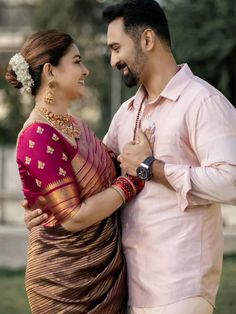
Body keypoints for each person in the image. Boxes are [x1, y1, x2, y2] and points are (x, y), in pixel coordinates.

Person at [23, 1, 236, 313]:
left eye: (116, 47)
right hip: (126, 291)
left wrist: (152, 167)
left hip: (179, 290)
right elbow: (98, 181)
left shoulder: (202, 103)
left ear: (147, 40)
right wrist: (46, 208)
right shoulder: (126, 113)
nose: (112, 60)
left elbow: (232, 181)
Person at [5, 29, 147, 314]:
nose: (86, 71)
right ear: (50, 71)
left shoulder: (76, 126)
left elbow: (107, 171)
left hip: (105, 273)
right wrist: (134, 179)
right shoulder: (37, 136)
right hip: (64, 282)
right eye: (77, 61)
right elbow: (73, 216)